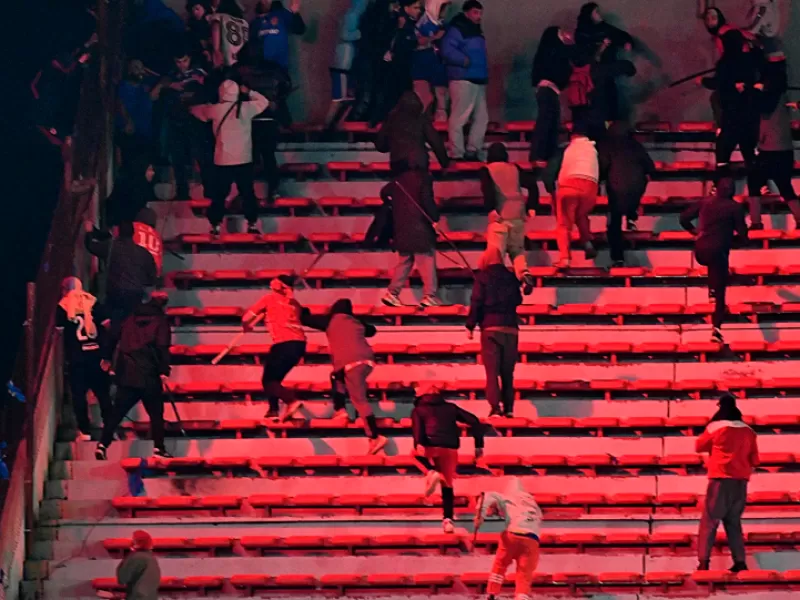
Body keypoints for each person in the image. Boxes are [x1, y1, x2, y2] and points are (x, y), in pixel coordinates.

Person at [375, 90, 450, 307]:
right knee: (424, 250)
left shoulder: (393, 120)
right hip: (417, 175)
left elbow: (380, 144)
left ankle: (393, 292)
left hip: (398, 181)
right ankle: (430, 294)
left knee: (406, 251)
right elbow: (435, 141)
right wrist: (445, 162)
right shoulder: (420, 120)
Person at [300, 299, 388, 455]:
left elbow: (306, 320)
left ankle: (375, 436)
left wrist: (304, 310)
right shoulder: (356, 322)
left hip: (350, 362)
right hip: (367, 361)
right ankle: (340, 410)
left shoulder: (330, 320)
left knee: (359, 400)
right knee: (336, 377)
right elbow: (372, 330)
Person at [96, 290, 172, 461]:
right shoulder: (160, 322)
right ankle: (159, 448)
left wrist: (107, 357)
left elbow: (113, 336)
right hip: (149, 375)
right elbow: (162, 348)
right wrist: (164, 371)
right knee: (156, 414)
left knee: (117, 413)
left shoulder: (129, 318)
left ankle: (103, 443)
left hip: (128, 374)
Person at [190, 79, 269, 234]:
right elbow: (264, 102)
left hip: (222, 159)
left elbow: (196, 111)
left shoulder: (215, 109)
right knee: (247, 192)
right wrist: (249, 92)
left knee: (219, 194)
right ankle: (252, 223)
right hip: (244, 159)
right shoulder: (246, 108)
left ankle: (215, 225)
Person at [679, 176, 749, 344]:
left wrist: (695, 231)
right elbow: (744, 235)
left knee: (714, 262)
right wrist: (732, 241)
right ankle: (716, 329)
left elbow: (683, 218)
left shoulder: (706, 202)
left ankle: (711, 289)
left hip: (701, 249)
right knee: (721, 291)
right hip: (718, 251)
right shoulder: (735, 207)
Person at [695, 393, 759, 572]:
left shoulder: (716, 427)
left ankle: (703, 562)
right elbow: (755, 460)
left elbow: (699, 446)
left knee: (709, 522)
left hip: (720, 479)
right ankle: (740, 561)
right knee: (733, 522)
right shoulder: (748, 431)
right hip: (741, 481)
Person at [411, 383, 485, 533]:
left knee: (412, 455)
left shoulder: (418, 410)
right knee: (448, 485)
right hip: (450, 448)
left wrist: (418, 443)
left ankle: (431, 471)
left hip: (430, 446)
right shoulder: (451, 408)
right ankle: (448, 520)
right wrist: (478, 445)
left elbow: (418, 429)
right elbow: (474, 421)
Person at [701, 29, 763, 196]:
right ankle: (759, 187)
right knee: (749, 155)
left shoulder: (725, 64)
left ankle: (718, 188)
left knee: (722, 157)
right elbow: (759, 56)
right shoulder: (749, 60)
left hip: (731, 118)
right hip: (748, 118)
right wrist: (753, 43)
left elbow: (720, 86)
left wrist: (704, 81)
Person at [466, 247, 523, 417]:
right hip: (511, 329)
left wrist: (470, 325)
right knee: (507, 373)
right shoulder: (512, 277)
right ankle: (509, 409)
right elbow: (518, 300)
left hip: (490, 328)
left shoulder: (482, 278)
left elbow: (477, 302)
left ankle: (495, 407)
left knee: (492, 373)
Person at [242, 275, 306, 421]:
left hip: (283, 343)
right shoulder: (295, 303)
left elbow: (246, 318)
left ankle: (291, 401)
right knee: (274, 380)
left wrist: (246, 326)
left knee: (268, 381)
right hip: (299, 344)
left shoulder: (269, 299)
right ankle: (273, 411)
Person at [56, 277, 112, 441]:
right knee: (103, 395)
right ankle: (109, 428)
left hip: (77, 359)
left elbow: (59, 329)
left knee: (79, 396)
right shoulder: (92, 301)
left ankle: (84, 431)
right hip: (96, 356)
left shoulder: (63, 305)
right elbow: (107, 325)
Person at [153, 49, 212, 200]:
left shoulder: (199, 73)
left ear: (190, 59)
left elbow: (205, 89)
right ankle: (182, 192)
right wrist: (169, 85)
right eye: (178, 62)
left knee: (200, 156)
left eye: (184, 61)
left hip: (195, 122)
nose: (181, 65)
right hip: (176, 122)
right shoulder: (171, 75)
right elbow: (155, 93)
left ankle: (210, 189)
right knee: (177, 158)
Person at [479, 143, 537, 291]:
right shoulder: (515, 169)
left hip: (500, 217)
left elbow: (488, 190)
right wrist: (531, 206)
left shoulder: (487, 170)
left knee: (496, 255)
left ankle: (495, 287)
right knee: (517, 251)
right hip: (518, 216)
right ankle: (524, 275)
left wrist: (491, 209)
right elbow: (532, 185)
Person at [596, 121, 656, 266]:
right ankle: (631, 217)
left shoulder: (607, 146)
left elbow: (602, 167)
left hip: (617, 189)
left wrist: (598, 182)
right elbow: (650, 167)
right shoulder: (635, 145)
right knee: (630, 200)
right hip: (636, 187)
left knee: (613, 225)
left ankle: (618, 258)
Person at [85, 220, 158, 337]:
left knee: (111, 321)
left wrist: (88, 232)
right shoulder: (144, 253)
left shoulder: (111, 247)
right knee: (127, 325)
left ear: (118, 232)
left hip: (115, 293)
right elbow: (152, 279)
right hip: (135, 296)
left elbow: (91, 247)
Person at [474, 478, 543, 600]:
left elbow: (487, 496)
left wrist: (480, 516)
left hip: (513, 534)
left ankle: (492, 593)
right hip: (532, 539)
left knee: (500, 564)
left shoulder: (507, 497)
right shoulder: (533, 503)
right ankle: (522, 596)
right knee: (524, 574)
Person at [751, 62, 800, 228]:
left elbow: (760, 109)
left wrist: (755, 90)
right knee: (785, 187)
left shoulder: (766, 99)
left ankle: (756, 222)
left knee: (754, 184)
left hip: (769, 149)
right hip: (785, 150)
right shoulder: (782, 97)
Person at [441, 0, 488, 161]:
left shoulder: (474, 30)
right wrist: (463, 60)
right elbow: (446, 49)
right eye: (475, 12)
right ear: (466, 12)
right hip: (463, 77)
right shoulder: (457, 29)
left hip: (476, 78)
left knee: (481, 117)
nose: (479, 16)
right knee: (459, 116)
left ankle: (473, 148)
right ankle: (457, 152)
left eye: (480, 13)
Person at [567, 43, 636, 141]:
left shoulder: (574, 73)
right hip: (597, 119)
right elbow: (627, 67)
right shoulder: (598, 70)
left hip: (579, 122)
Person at [369, 0, 422, 126]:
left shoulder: (408, 23)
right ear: (406, 7)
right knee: (392, 96)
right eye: (415, 7)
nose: (418, 11)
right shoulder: (396, 22)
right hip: (395, 68)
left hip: (401, 67)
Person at [553, 129, 599, 268]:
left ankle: (565, 258)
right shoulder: (593, 150)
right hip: (590, 188)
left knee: (564, 224)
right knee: (581, 214)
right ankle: (587, 242)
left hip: (569, 185)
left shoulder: (569, 149)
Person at [529, 26, 574, 163]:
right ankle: (541, 154)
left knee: (551, 122)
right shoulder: (555, 51)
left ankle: (544, 154)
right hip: (549, 89)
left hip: (548, 90)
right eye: (560, 33)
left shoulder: (544, 52)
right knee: (547, 122)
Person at [326, 0, 369, 128]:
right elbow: (344, 34)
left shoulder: (352, 15)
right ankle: (328, 126)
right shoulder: (351, 16)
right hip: (342, 66)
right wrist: (361, 34)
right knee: (339, 99)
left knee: (347, 99)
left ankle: (335, 125)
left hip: (346, 65)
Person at [412, 0, 451, 121]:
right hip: (422, 63)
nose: (445, 11)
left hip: (438, 63)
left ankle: (440, 123)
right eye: (442, 7)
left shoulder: (443, 24)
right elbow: (418, 41)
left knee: (441, 96)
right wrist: (435, 37)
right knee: (424, 98)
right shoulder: (422, 22)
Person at [116, 59, 158, 167]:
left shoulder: (145, 85)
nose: (139, 71)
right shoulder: (124, 86)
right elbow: (120, 104)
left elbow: (162, 78)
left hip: (145, 132)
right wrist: (127, 121)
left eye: (141, 68)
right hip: (130, 131)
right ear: (129, 70)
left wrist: (146, 70)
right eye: (135, 68)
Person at [251, 0, 306, 71]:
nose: (265, 1)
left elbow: (300, 30)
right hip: (260, 67)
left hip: (279, 67)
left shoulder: (281, 14)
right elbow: (251, 44)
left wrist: (295, 12)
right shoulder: (254, 23)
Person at [102, 158, 157, 227]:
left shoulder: (144, 188)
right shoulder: (130, 189)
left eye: (152, 170)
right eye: (149, 170)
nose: (153, 173)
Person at [116, 530, 161, 600]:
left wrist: (128, 555)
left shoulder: (137, 557)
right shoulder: (151, 558)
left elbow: (122, 578)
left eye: (132, 540)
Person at [209, 0, 249, 69]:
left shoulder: (218, 17)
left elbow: (216, 34)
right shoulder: (244, 22)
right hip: (240, 59)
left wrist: (216, 51)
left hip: (225, 59)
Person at [186, 0, 212, 68]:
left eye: (197, 9)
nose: (195, 12)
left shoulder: (211, 22)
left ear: (204, 8)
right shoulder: (192, 26)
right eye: (193, 10)